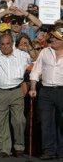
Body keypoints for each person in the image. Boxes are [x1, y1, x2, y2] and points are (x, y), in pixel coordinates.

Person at [29, 26, 63, 160]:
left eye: (56, 38)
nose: (52, 39)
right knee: (46, 121)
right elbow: (36, 70)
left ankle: (61, 151)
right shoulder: (45, 51)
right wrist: (33, 88)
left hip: (62, 90)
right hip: (46, 91)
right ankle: (49, 150)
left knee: (61, 121)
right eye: (52, 37)